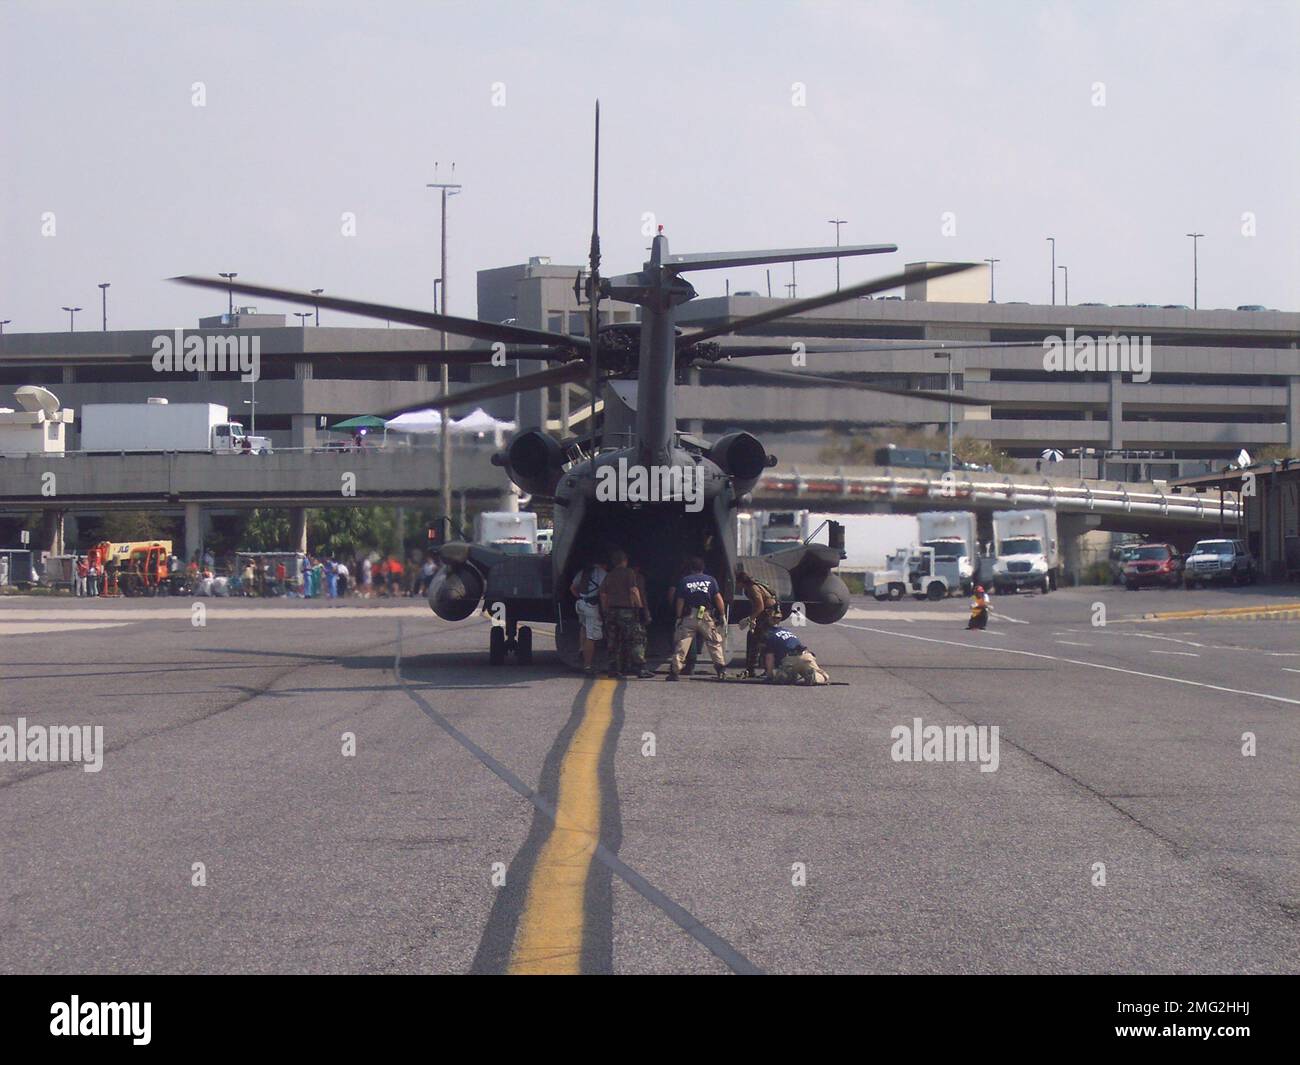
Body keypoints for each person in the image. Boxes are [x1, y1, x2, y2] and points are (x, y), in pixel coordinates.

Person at [668, 556, 728, 681]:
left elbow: (680, 600)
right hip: (705, 616)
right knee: (714, 642)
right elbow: (718, 598)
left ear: (691, 568)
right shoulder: (710, 580)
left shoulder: (685, 581)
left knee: (682, 643)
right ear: (703, 568)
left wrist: (678, 617)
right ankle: (721, 670)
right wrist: (722, 615)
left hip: (689, 616)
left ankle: (675, 672)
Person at [599, 550, 654, 678]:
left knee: (613, 640)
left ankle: (613, 669)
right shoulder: (629, 573)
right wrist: (640, 608)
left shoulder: (609, 575)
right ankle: (640, 668)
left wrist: (605, 610)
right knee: (637, 639)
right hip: (627, 611)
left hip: (611, 611)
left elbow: (603, 594)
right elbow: (634, 590)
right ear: (625, 561)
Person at [735, 566, 780, 678]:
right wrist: (754, 618)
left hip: (768, 614)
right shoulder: (753, 586)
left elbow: (760, 606)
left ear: (741, 582)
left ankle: (755, 669)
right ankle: (756, 668)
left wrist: (750, 618)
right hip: (769, 613)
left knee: (758, 640)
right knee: (757, 638)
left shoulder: (752, 588)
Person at [569, 557, 607, 676]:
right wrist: (604, 611)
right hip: (592, 606)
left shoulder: (583, 572)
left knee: (584, 628)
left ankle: (582, 650)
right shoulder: (602, 574)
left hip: (581, 603)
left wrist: (581, 597)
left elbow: (572, 588)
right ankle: (587, 666)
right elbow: (603, 593)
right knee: (592, 636)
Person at [763, 626, 830, 685]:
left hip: (789, 660)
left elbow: (769, 658)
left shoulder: (770, 636)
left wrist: (769, 675)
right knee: (823, 675)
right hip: (805, 656)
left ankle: (787, 676)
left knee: (783, 675)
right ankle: (814, 678)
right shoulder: (787, 631)